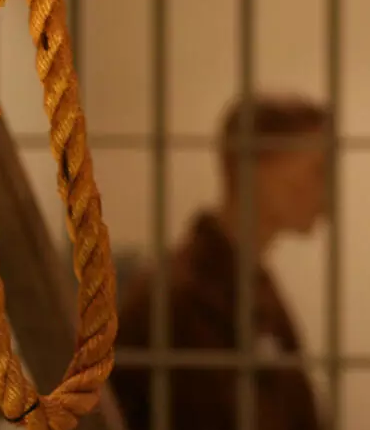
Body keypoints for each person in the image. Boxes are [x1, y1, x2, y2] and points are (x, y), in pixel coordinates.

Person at [109, 93, 329, 430]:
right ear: (254, 169)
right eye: (318, 171)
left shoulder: (251, 286)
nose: (327, 193)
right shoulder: (179, 299)